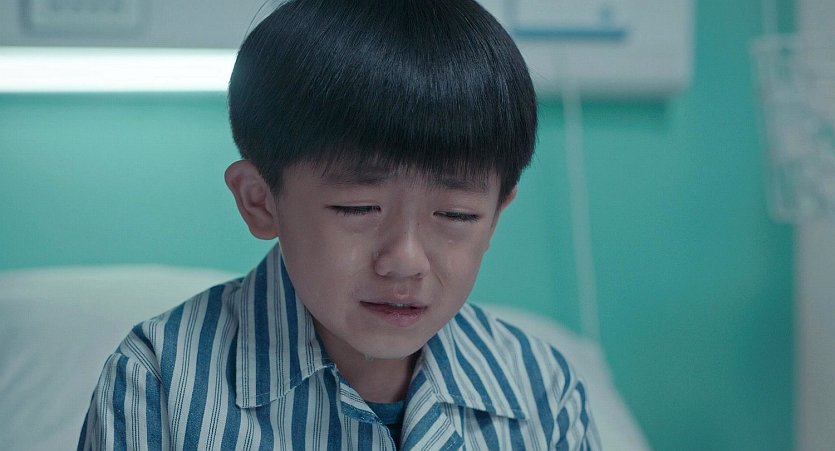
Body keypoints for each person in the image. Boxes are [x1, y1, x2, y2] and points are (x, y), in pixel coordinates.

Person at [78, 0, 599, 449]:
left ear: (496, 216)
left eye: (456, 215)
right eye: (358, 209)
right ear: (260, 201)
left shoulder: (543, 393)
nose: (405, 260)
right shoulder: (157, 382)